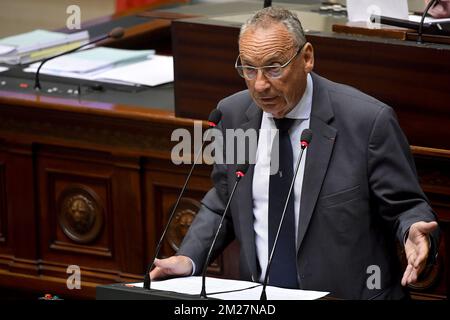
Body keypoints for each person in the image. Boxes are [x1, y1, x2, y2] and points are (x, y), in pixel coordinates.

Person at [150, 7, 440, 299]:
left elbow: (405, 206)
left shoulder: (367, 122)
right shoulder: (233, 114)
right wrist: (189, 258)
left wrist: (414, 229)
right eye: (249, 69)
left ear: (307, 58)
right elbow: (224, 202)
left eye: (274, 68)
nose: (260, 85)